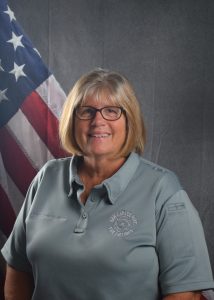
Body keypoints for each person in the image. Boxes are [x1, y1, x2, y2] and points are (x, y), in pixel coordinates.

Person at [1, 69, 214, 300]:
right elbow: (18, 270)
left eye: (112, 111)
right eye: (87, 111)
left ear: (129, 120)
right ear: (73, 119)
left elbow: (185, 294)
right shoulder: (47, 177)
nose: (98, 121)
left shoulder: (163, 190)